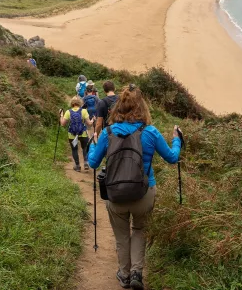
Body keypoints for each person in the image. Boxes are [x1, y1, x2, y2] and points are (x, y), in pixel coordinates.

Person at [88, 84, 181, 290]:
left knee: (122, 237)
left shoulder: (108, 132)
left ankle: (124, 274)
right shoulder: (150, 132)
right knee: (139, 230)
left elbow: (93, 163)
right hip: (144, 193)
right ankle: (137, 272)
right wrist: (177, 140)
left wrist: (93, 144)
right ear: (143, 107)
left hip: (115, 193)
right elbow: (173, 158)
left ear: (118, 107)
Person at [60, 96, 93, 171]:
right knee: (85, 148)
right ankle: (86, 163)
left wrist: (61, 115)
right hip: (83, 133)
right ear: (80, 103)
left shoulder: (68, 112)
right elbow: (89, 123)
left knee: (74, 149)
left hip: (72, 134)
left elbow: (62, 124)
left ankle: (77, 166)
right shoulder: (84, 111)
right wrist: (93, 120)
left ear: (71, 103)